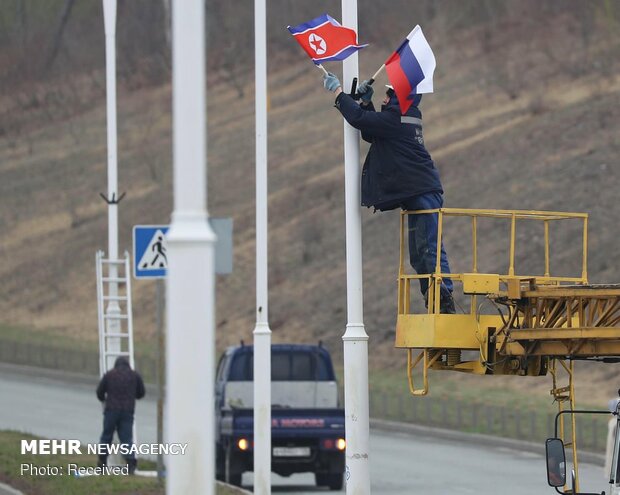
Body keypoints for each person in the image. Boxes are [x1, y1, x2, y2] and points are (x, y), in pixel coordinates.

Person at [323, 72, 455, 313]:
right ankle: (435, 301)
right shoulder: (404, 116)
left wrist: (339, 93)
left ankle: (444, 300)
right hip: (419, 191)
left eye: (389, 95)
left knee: (428, 248)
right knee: (419, 254)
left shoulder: (397, 118)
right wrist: (366, 102)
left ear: (399, 98)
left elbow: (361, 121)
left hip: (422, 191)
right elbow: (373, 132)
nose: (385, 99)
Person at [96, 356, 145, 473]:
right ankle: (131, 463)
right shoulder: (135, 376)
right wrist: (133, 396)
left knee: (107, 436)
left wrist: (104, 399)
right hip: (127, 411)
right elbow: (141, 393)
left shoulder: (110, 375)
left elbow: (99, 392)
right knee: (127, 438)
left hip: (111, 410)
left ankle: (102, 462)